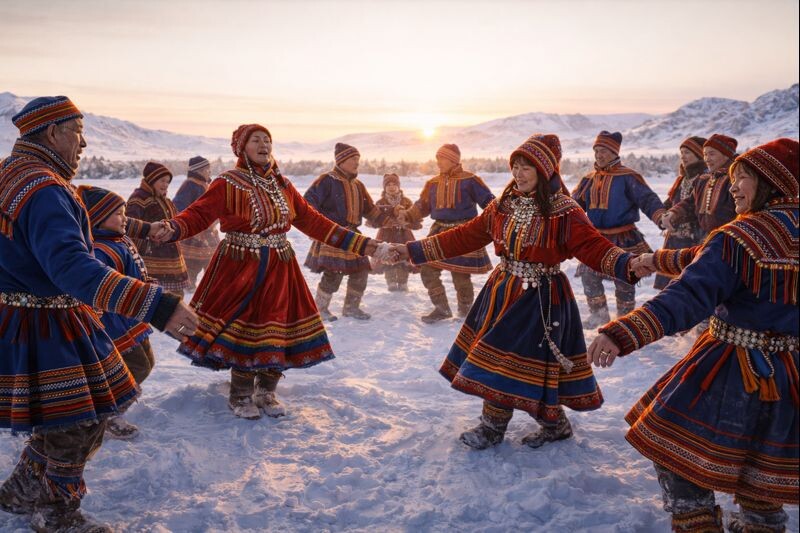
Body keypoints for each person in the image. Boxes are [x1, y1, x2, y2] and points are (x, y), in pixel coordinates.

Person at [0, 96, 197, 532]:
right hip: (49, 323)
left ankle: (22, 489)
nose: (84, 143)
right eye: (78, 131)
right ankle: (57, 515)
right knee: (79, 421)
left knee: (59, 418)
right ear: (53, 132)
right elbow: (72, 267)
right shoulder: (44, 188)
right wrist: (157, 305)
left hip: (20, 317)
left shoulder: (11, 175)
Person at [588, 138, 799, 533]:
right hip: (791, 374)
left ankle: (696, 525)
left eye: (743, 178)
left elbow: (688, 295)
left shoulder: (739, 236)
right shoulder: (744, 238)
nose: (733, 188)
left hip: (733, 369)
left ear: (770, 181)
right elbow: (704, 258)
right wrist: (656, 259)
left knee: (674, 450)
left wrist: (623, 331)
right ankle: (762, 525)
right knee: (761, 459)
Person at [393, 134, 641, 450]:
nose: (518, 174)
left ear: (544, 171)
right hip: (503, 289)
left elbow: (594, 247)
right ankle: (527, 425)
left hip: (541, 297)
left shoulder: (565, 211)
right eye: (515, 167)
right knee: (503, 358)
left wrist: (629, 263)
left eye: (526, 168)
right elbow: (464, 236)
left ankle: (521, 426)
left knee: (518, 360)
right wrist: (412, 250)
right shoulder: (504, 205)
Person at [157, 125, 385, 419]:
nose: (264, 144)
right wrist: (173, 228)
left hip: (280, 265)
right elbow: (198, 214)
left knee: (279, 324)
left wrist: (365, 245)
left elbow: (315, 222)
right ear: (242, 147)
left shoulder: (282, 185)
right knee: (245, 325)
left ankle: (267, 389)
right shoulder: (228, 182)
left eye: (267, 140)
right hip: (240, 263)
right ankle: (240, 394)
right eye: (256, 140)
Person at [78, 185, 159, 440]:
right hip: (114, 324)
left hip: (131, 317)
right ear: (98, 218)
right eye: (118, 214)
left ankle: (112, 405)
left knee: (147, 363)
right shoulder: (100, 251)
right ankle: (108, 412)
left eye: (124, 212)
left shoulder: (119, 238)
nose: (125, 219)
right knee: (137, 367)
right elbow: (101, 291)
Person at [572, 131, 665, 328]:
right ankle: (599, 314)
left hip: (624, 237)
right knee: (589, 274)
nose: (599, 155)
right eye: (596, 151)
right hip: (596, 237)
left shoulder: (628, 177)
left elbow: (647, 199)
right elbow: (573, 206)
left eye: (603, 151)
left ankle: (625, 318)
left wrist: (661, 216)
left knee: (624, 277)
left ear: (615, 152)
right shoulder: (588, 179)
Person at [395, 143, 495, 322]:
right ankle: (441, 309)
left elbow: (490, 204)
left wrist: (498, 221)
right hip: (438, 231)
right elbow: (422, 206)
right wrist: (408, 215)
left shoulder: (471, 180)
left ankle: (466, 312)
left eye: (442, 158)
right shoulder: (432, 183)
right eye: (437, 158)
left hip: (463, 233)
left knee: (461, 274)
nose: (438, 162)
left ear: (453, 160)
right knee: (427, 268)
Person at [303, 143, 386, 320]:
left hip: (354, 236)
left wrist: (387, 220)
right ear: (341, 160)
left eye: (358, 159)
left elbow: (370, 209)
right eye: (353, 159)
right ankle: (320, 309)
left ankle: (351, 308)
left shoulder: (358, 185)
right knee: (333, 273)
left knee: (361, 270)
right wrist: (314, 226)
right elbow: (308, 203)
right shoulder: (326, 180)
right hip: (333, 235)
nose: (357, 162)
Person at [127, 161, 191, 294]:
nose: (165, 185)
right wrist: (149, 233)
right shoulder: (139, 198)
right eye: (162, 181)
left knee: (176, 296)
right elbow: (130, 224)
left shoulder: (165, 200)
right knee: (154, 295)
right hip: (150, 257)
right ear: (151, 180)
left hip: (171, 259)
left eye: (168, 182)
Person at [661, 134, 738, 239]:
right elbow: (691, 202)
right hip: (706, 240)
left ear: (726, 155)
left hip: (729, 239)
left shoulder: (735, 179)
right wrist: (673, 213)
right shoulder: (704, 180)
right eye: (705, 154)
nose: (707, 159)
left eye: (712, 154)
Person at [654, 136, 707, 290]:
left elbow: (698, 207)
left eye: (687, 153)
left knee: (690, 284)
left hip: (694, 239)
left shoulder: (705, 179)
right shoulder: (681, 179)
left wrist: (676, 216)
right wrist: (662, 216)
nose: (683, 156)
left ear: (699, 154)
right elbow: (671, 202)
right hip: (674, 240)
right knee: (670, 286)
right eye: (681, 153)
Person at [173, 156, 221, 289]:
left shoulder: (204, 185)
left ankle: (211, 286)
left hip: (208, 232)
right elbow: (178, 206)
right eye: (207, 169)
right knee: (192, 263)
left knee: (213, 261)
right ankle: (189, 287)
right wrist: (192, 220)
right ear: (199, 171)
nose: (209, 172)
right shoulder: (190, 185)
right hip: (195, 234)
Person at [368, 172, 421, 291]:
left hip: (404, 234)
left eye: (394, 184)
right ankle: (391, 281)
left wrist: (407, 222)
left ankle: (403, 281)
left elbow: (413, 217)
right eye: (388, 185)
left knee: (404, 256)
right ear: (384, 187)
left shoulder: (406, 201)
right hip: (386, 234)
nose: (391, 187)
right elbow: (374, 217)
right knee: (388, 254)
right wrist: (384, 222)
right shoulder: (380, 202)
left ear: (398, 186)